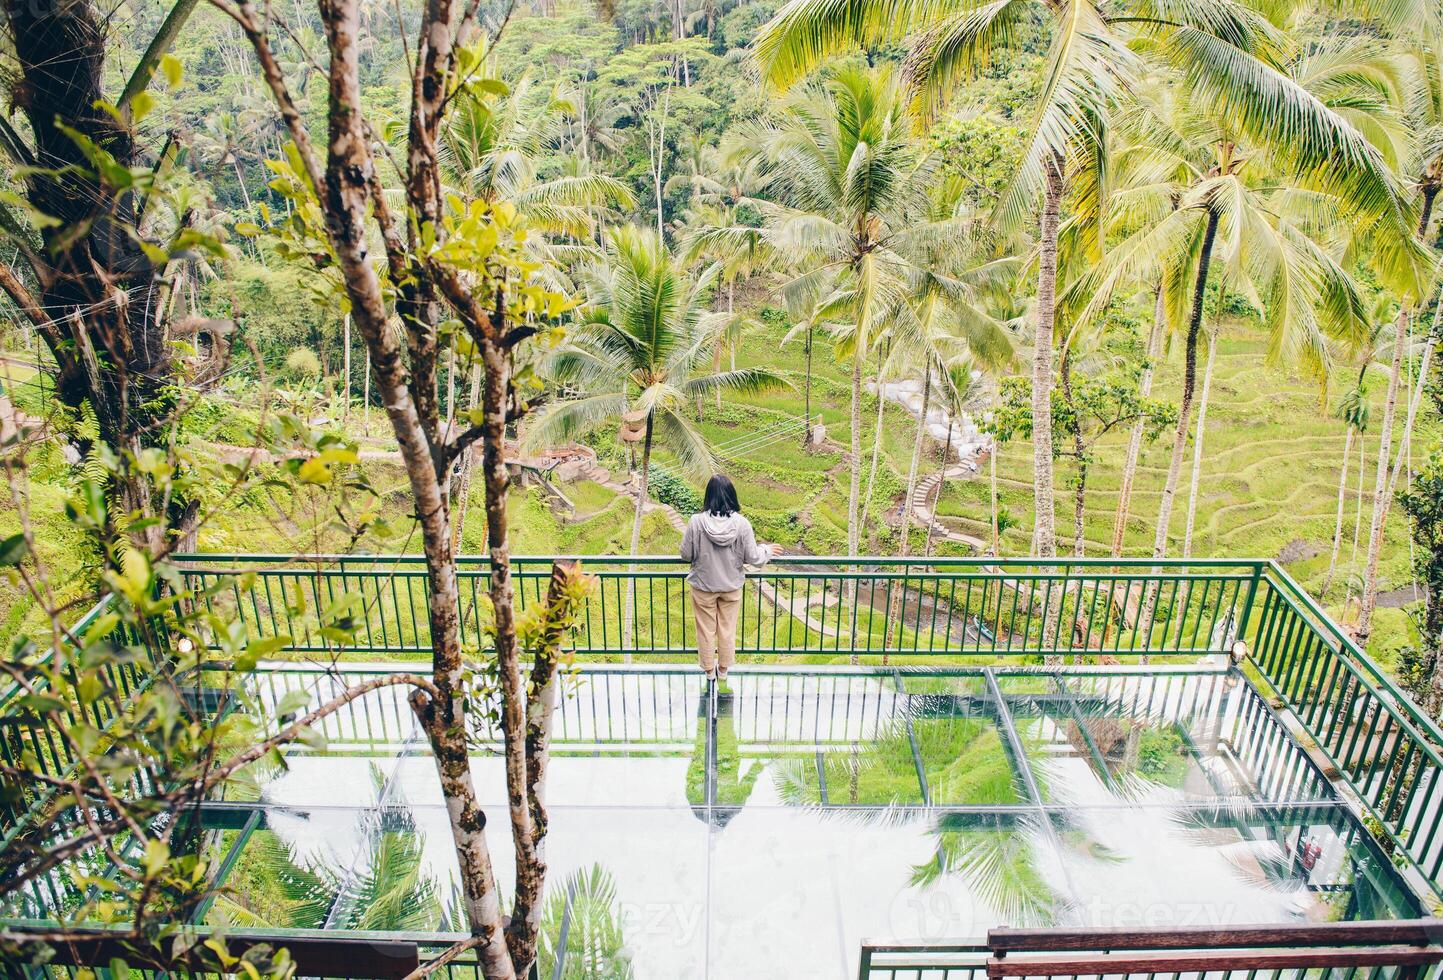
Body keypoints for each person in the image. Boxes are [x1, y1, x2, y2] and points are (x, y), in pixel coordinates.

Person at [680, 474, 781, 681]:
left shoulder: (696, 522)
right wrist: (766, 550)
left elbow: (686, 554)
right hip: (731, 587)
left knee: (706, 630)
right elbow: (754, 558)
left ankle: (709, 672)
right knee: (727, 629)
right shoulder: (742, 524)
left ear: (708, 496)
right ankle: (723, 670)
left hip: (703, 586)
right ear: (732, 495)